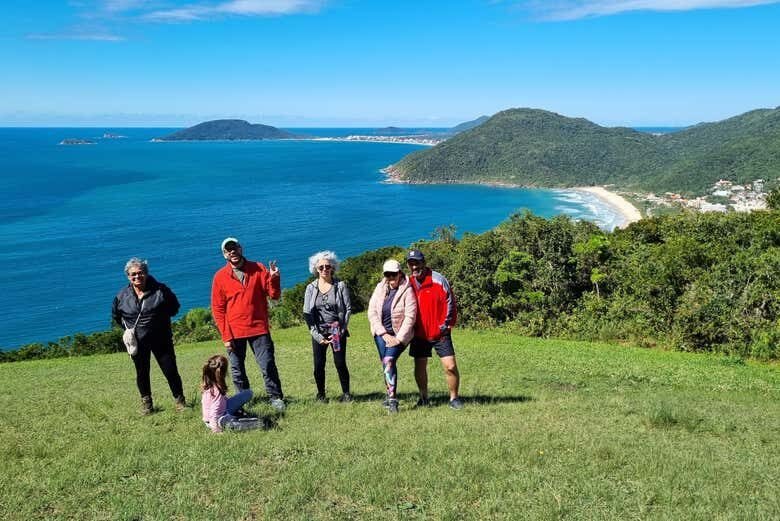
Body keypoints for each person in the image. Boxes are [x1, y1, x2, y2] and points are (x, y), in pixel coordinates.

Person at [211, 237, 286, 412]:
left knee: (267, 364)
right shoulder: (220, 277)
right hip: (234, 332)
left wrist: (274, 278)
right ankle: (243, 399)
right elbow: (218, 309)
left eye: (234, 248)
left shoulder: (258, 268)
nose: (232, 252)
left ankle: (275, 397)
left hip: (259, 328)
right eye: (228, 250)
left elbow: (273, 295)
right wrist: (226, 337)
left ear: (241, 248)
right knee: (237, 370)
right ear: (224, 255)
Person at [112, 257, 186, 415]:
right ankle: (147, 404)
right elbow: (117, 316)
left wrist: (159, 321)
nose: (137, 277)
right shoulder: (121, 296)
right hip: (137, 342)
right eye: (133, 274)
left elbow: (174, 308)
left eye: (140, 273)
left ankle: (180, 401)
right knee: (141, 373)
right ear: (128, 276)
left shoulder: (161, 290)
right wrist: (129, 330)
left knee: (170, 371)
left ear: (146, 273)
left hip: (161, 339)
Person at [405, 249, 464, 410]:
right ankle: (423, 398)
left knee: (450, 366)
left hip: (440, 333)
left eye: (417, 262)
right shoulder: (408, 283)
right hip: (419, 334)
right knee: (420, 366)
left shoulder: (438, 280)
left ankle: (454, 398)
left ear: (423, 262)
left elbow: (450, 303)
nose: (414, 266)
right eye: (411, 263)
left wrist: (444, 326)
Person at [367, 259, 417, 414]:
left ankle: (393, 399)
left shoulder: (407, 290)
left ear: (400, 273)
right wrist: (382, 332)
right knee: (386, 364)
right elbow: (372, 311)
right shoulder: (380, 288)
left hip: (398, 335)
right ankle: (389, 396)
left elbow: (410, 317)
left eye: (394, 274)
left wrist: (398, 339)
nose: (391, 278)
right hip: (381, 334)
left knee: (389, 361)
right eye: (388, 275)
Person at [302, 251, 352, 402]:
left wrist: (342, 330)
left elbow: (347, 309)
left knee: (340, 363)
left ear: (332, 268)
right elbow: (306, 313)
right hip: (319, 332)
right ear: (316, 269)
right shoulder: (310, 288)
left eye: (327, 266)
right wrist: (317, 335)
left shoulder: (340, 286)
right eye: (321, 267)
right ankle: (321, 394)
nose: (324, 269)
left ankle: (346, 394)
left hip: (337, 331)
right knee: (318, 365)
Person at [201, 354, 262, 433]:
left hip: (224, 409)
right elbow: (213, 413)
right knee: (229, 422)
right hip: (216, 419)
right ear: (222, 372)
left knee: (248, 393)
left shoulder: (210, 385)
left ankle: (235, 415)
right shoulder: (216, 391)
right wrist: (215, 429)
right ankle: (254, 424)